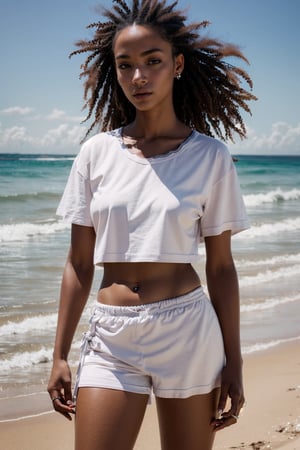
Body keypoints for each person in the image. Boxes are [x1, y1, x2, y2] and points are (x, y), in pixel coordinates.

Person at [47, 1, 256, 448]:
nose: (138, 77)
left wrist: (234, 362)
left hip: (187, 332)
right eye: (126, 66)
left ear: (177, 65)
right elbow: (79, 263)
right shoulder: (95, 154)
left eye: (152, 62)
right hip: (110, 337)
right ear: (115, 72)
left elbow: (220, 268)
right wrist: (59, 354)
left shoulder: (210, 156)